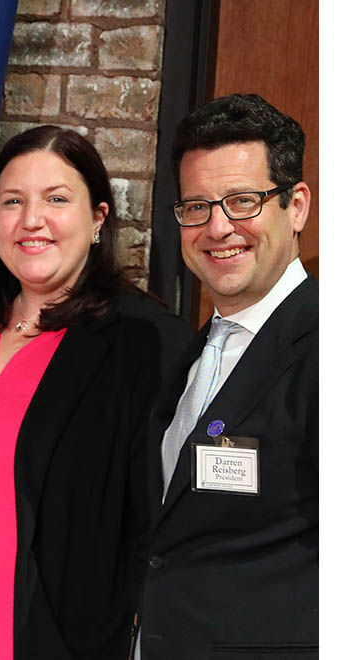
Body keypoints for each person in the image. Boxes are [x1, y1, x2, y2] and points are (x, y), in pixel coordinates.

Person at [0, 125, 191, 659]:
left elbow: (159, 535)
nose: (31, 219)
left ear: (98, 218)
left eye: (56, 199)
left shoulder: (145, 342)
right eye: (12, 201)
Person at [136, 93, 317, 660]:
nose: (219, 227)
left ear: (296, 207)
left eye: (243, 201)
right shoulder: (190, 354)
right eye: (196, 207)